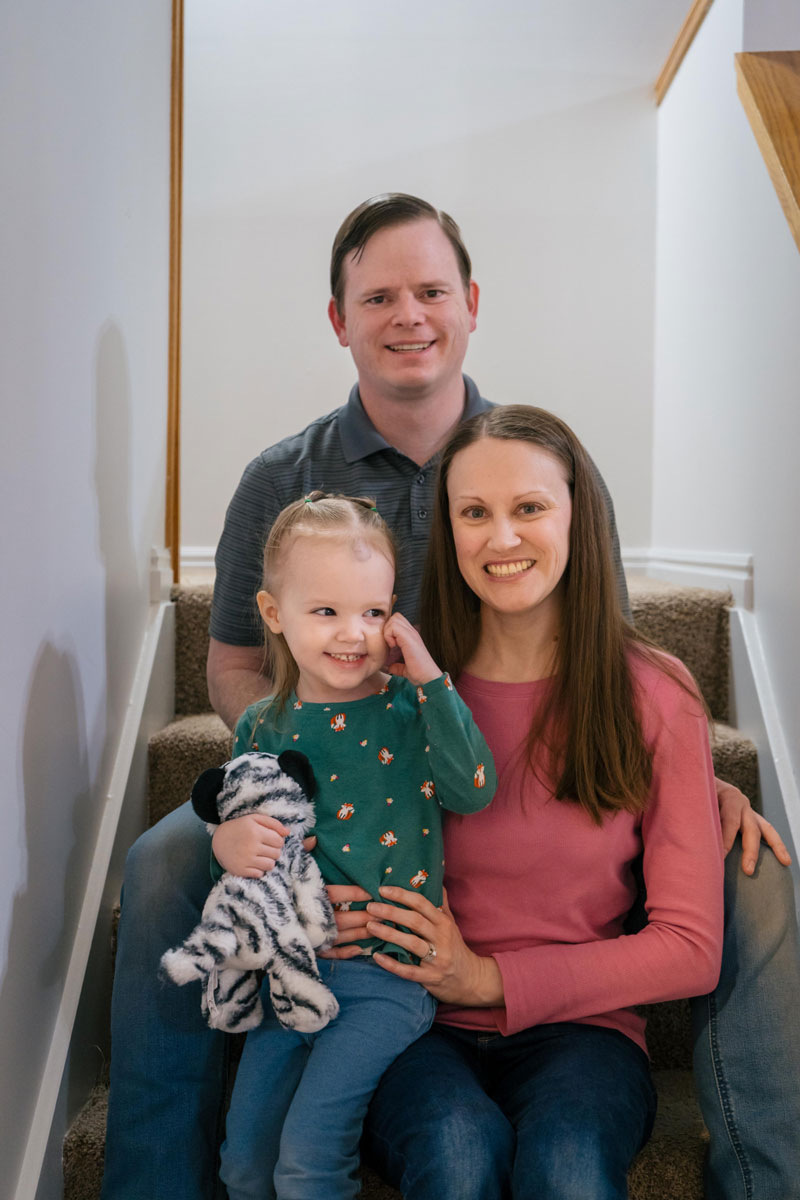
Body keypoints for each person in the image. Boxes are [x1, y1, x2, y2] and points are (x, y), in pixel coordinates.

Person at [102, 194, 800, 1200]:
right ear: (338, 319)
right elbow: (232, 666)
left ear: (470, 304)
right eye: (377, 297)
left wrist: (685, 778)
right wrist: (302, 807)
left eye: (430, 290)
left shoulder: (527, 457)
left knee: (754, 869)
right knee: (168, 858)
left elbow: (602, 655)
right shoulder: (281, 478)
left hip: (448, 759)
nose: (408, 315)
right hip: (318, 769)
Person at [323, 403, 724, 1198]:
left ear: (578, 516)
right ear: (448, 530)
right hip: (406, 1017)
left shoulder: (656, 692)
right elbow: (303, 817)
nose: (501, 538)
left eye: (530, 507)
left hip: (585, 1032)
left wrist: (491, 980)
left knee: (567, 1164)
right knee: (457, 1151)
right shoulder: (391, 688)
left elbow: (690, 947)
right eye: (474, 513)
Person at [209, 491, 495, 1199]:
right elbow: (248, 866)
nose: (352, 634)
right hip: (289, 978)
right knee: (243, 1163)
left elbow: (474, 789)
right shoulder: (260, 727)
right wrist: (225, 843)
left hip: (385, 982)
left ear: (394, 615)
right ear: (274, 613)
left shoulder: (410, 710)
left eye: (371, 613)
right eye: (325, 611)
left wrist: (430, 679)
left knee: (308, 1158)